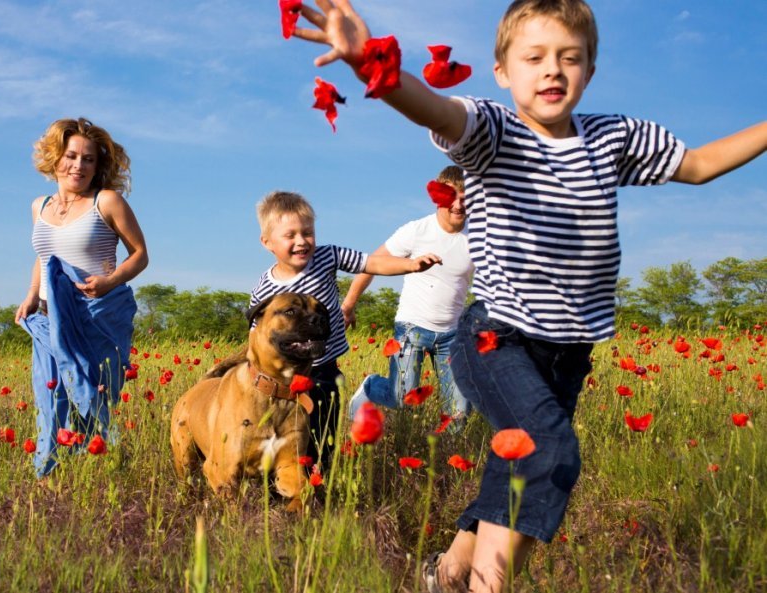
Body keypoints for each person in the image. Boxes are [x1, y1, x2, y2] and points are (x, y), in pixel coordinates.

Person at [287, 1, 766, 591]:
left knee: (508, 468)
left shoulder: (614, 136)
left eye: (570, 58)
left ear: (590, 69)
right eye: (534, 57)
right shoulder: (494, 131)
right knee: (546, 455)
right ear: (502, 71)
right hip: (498, 337)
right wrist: (371, 67)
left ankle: (443, 577)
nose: (552, 71)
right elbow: (432, 106)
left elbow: (695, 164)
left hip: (568, 352)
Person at [251, 191, 441, 467]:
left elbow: (371, 263)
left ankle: (319, 483)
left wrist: (410, 265)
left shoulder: (327, 257)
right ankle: (281, 488)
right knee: (282, 438)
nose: (302, 241)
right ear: (267, 242)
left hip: (323, 370)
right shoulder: (264, 290)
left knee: (322, 438)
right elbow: (256, 336)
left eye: (307, 232)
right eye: (290, 235)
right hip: (285, 378)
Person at [15, 117, 148, 478]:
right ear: (55, 157)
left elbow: (140, 254)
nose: (78, 165)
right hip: (49, 319)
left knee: (92, 399)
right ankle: (51, 476)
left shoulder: (106, 201)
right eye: (71, 156)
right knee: (51, 399)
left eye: (88, 159)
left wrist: (110, 280)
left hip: (95, 316)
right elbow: (45, 258)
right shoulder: (38, 206)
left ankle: (99, 475)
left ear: (98, 165)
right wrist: (30, 295)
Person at [343, 165, 474, 422]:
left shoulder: (476, 239)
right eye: (451, 197)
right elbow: (371, 263)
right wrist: (348, 304)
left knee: (459, 412)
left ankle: (446, 456)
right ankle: (371, 385)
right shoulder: (417, 230)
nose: (459, 205)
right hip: (412, 327)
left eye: (465, 197)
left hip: (452, 334)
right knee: (401, 398)